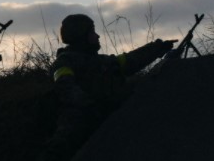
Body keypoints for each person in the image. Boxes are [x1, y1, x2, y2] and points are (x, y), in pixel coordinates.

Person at [39, 13, 177, 161]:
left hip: (104, 118)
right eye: (92, 31)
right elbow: (65, 87)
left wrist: (156, 48)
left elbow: (129, 61)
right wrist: (92, 105)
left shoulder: (101, 61)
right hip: (78, 124)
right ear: (80, 35)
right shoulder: (64, 62)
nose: (97, 36)